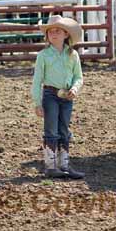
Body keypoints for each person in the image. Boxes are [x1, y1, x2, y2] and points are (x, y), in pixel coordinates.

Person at [31, 15, 85, 179]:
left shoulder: (73, 55)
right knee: (51, 129)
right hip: (50, 95)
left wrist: (75, 89)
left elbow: (79, 77)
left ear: (66, 34)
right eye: (50, 32)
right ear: (47, 36)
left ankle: (64, 165)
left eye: (58, 31)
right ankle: (50, 165)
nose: (53, 34)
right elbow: (37, 80)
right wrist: (37, 102)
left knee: (64, 129)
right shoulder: (43, 55)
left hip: (67, 96)